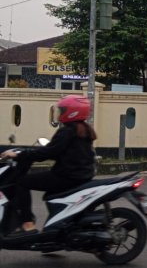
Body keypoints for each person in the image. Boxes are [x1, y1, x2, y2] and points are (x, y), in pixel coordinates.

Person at [0, 95, 97, 237]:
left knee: (22, 183)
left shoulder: (67, 131)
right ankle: (52, 233)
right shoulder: (85, 130)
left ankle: (28, 223)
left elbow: (48, 152)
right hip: (81, 175)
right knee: (48, 193)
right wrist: (29, 153)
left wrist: (20, 155)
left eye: (62, 110)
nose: (59, 113)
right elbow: (55, 151)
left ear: (72, 112)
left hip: (67, 176)